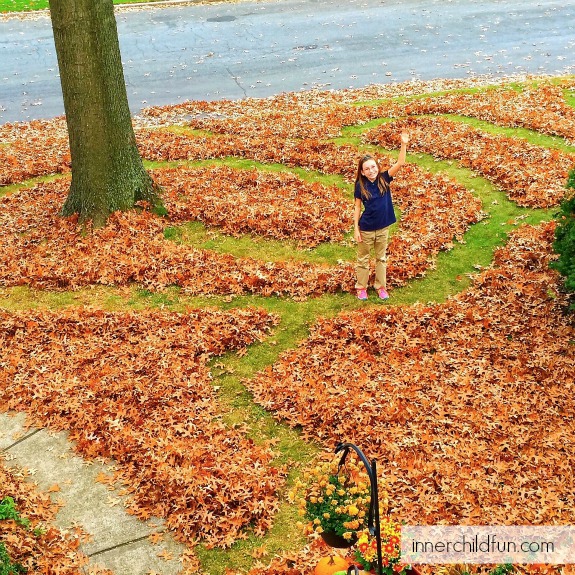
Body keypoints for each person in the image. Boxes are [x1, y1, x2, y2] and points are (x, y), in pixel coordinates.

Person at [353, 131, 409, 300]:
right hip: (367, 229)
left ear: (377, 166)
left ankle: (380, 286)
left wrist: (404, 144)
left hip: (383, 227)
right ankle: (361, 287)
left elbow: (400, 162)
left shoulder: (384, 178)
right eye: (367, 169)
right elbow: (357, 208)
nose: (371, 171)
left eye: (373, 167)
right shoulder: (359, 186)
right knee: (363, 258)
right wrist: (356, 229)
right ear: (362, 172)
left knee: (381, 258)